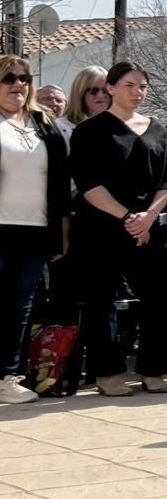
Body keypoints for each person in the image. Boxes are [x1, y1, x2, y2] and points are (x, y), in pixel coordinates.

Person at [68, 61, 167, 397]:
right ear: (111, 88)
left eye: (142, 86)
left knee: (157, 297)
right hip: (102, 226)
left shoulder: (159, 129)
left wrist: (149, 216)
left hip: (149, 225)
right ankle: (108, 373)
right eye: (129, 85)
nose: (137, 92)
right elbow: (88, 183)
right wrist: (128, 217)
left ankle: (153, 368)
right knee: (102, 301)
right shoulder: (90, 130)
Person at [0, 55, 69, 404]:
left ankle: (7, 377)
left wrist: (61, 233)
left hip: (36, 229)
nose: (18, 84)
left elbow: (60, 183)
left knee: (20, 307)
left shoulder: (44, 123)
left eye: (24, 78)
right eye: (9, 78)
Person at [59, 65, 110, 141]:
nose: (101, 95)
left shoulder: (121, 126)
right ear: (80, 93)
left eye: (106, 90)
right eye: (93, 90)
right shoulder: (61, 128)